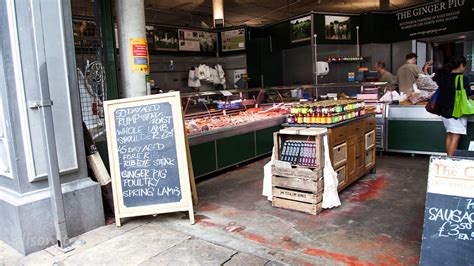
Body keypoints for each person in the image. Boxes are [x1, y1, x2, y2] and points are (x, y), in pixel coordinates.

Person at [435, 56, 472, 156]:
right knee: (455, 136)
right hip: (456, 111)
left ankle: (448, 158)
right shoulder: (462, 78)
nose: (464, 68)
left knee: (450, 134)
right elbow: (469, 94)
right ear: (460, 65)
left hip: (444, 110)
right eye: (463, 66)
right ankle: (450, 161)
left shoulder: (443, 77)